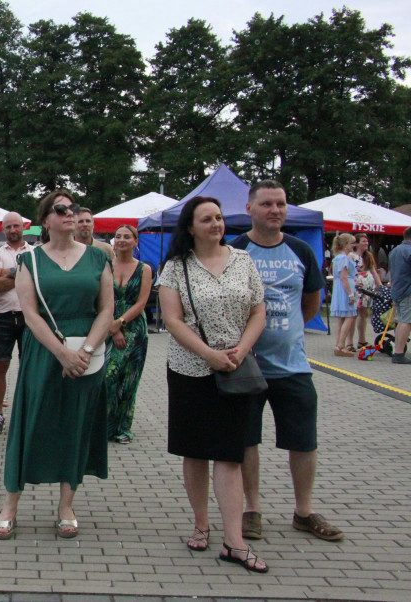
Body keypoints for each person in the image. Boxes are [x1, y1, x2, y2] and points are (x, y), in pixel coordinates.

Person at [0, 191, 113, 540]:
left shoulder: (97, 258)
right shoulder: (30, 261)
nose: (70, 213)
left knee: (76, 425)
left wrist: (87, 350)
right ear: (45, 220)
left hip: (88, 351)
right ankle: (9, 505)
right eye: (61, 209)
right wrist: (63, 353)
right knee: (31, 423)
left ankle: (66, 506)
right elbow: (29, 313)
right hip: (45, 351)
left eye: (73, 208)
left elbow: (106, 309)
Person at [158, 196, 268, 573]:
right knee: (195, 451)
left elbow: (258, 310)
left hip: (235, 369)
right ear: (190, 227)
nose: (216, 224)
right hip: (191, 369)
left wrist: (242, 349)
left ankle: (234, 540)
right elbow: (172, 320)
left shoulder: (243, 261)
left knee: (230, 454)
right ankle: (201, 523)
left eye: (219, 218)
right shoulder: (176, 267)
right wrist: (208, 354)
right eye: (207, 219)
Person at [232, 180, 343, 544]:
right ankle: (251, 509)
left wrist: (289, 331)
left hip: (293, 366)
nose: (275, 210)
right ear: (250, 209)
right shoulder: (236, 251)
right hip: (247, 367)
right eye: (266, 204)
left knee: (303, 441)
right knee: (247, 441)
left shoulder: (300, 251)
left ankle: (304, 511)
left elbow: (310, 303)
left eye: (280, 204)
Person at [0, 212, 34, 435]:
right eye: (8, 227)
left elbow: (38, 281)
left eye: (16, 226)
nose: (13, 230)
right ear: (3, 229)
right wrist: (22, 273)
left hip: (30, 316)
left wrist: (9, 274)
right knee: (0, 367)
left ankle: (28, 413)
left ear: (23, 227)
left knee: (30, 367)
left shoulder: (35, 252)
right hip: (5, 316)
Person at [105, 224, 152, 444]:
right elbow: (103, 300)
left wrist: (121, 323)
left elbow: (142, 302)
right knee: (108, 376)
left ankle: (123, 427)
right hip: (108, 326)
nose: (121, 240)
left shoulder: (144, 269)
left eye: (126, 236)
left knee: (129, 379)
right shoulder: (106, 266)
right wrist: (113, 328)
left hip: (134, 328)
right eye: (118, 236)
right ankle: (106, 425)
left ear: (135, 241)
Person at [329, 233, 358, 357]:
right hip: (345, 288)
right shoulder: (344, 258)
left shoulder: (337, 258)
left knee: (342, 317)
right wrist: (351, 294)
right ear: (345, 245)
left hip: (339, 288)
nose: (354, 245)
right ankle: (341, 345)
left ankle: (338, 344)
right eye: (352, 243)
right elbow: (344, 277)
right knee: (350, 316)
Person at [389, 226, 411, 364]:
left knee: (401, 320)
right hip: (408, 290)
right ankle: (398, 353)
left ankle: (398, 350)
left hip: (397, 290)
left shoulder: (395, 250)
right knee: (406, 321)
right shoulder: (409, 251)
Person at [354, 251, 381, 348]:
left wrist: (381, 287)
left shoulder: (368, 256)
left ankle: (362, 340)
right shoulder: (352, 256)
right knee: (352, 316)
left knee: (364, 314)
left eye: (366, 241)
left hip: (368, 289)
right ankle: (348, 342)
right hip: (356, 288)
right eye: (363, 241)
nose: (366, 243)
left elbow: (373, 271)